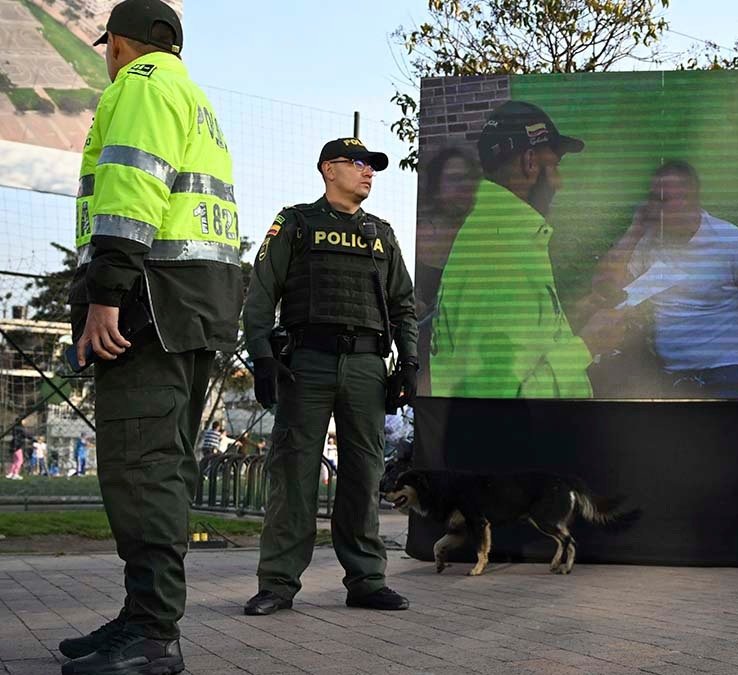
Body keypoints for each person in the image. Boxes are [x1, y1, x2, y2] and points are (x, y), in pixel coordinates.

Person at [59, 2, 243, 672]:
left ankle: (153, 637)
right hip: (194, 304)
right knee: (162, 464)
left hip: (148, 303)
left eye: (108, 49)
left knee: (140, 469)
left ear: (120, 47)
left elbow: (131, 190)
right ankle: (141, 617)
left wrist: (106, 292)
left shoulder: (140, 86)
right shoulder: (193, 98)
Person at [241, 137, 418, 617]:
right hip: (307, 365)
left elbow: (404, 306)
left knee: (364, 475)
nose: (368, 172)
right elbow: (261, 296)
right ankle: (277, 583)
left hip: (366, 367)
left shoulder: (382, 233)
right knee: (294, 475)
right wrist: (261, 357)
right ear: (327, 169)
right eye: (357, 163)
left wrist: (410, 365)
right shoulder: (295, 224)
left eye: (372, 166)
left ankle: (366, 580)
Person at [431, 101, 625, 398]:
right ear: (530, 162)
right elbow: (502, 401)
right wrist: (587, 345)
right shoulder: (501, 252)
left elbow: (519, 345)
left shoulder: (497, 233)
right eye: (555, 166)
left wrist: (573, 318)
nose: (559, 183)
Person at [591, 160, 738, 398]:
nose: (654, 208)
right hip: (674, 377)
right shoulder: (649, 242)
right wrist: (635, 229)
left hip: (727, 372)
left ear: (690, 200)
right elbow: (605, 290)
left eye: (663, 200)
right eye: (652, 199)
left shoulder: (732, 241)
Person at [414, 147, 481, 394]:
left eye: (468, 179)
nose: (464, 186)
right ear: (436, 187)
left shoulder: (483, 235)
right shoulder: (420, 236)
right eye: (454, 179)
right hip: (432, 354)